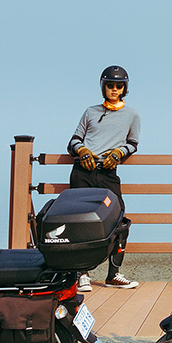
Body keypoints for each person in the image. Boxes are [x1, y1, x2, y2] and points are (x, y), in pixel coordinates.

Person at [68, 65, 140, 291]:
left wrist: (118, 153)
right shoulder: (90, 112)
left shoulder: (132, 115)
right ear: (103, 87)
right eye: (110, 85)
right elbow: (73, 141)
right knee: (78, 221)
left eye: (119, 86)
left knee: (120, 221)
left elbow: (133, 144)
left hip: (108, 173)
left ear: (124, 88)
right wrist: (82, 151)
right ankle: (82, 274)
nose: (114, 89)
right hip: (83, 171)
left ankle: (114, 274)